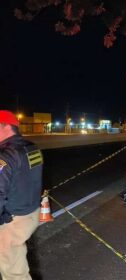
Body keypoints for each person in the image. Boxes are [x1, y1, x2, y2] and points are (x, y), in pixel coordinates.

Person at [0, 110, 43, 280]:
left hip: (12, 221)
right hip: (30, 213)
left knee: (13, 271)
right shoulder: (31, 148)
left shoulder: (5, 155)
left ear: (5, 127)